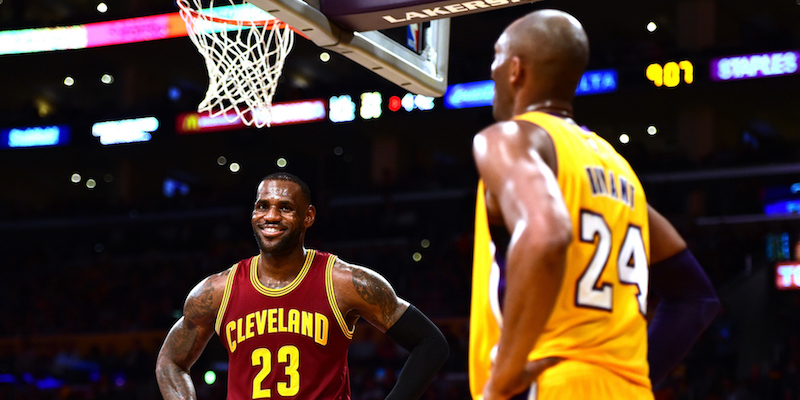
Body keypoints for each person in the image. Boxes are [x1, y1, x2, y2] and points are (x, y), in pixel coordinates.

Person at [467, 9, 720, 400]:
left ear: (516, 69)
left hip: (551, 382)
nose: (493, 68)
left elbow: (545, 237)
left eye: (497, 56)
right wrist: (635, 379)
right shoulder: (619, 171)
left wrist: (503, 378)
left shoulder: (510, 139)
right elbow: (697, 297)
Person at [156, 172, 449, 399]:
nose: (271, 216)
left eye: (285, 207)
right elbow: (170, 361)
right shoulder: (216, 291)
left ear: (308, 216)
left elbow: (431, 343)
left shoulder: (345, 282)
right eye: (263, 206)